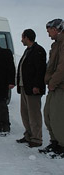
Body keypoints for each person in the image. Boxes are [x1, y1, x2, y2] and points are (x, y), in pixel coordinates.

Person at [16, 29, 46, 148]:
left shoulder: (38, 51)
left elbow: (40, 70)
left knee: (34, 114)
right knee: (25, 113)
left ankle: (37, 138)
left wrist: (37, 86)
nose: (21, 40)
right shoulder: (28, 50)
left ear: (27, 38)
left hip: (33, 89)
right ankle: (28, 135)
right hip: (25, 87)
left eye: (22, 37)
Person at [39, 19, 64, 158]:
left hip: (60, 87)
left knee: (58, 117)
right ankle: (55, 142)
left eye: (49, 31)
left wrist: (53, 82)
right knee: (48, 115)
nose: (48, 34)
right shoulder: (56, 44)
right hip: (54, 87)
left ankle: (62, 145)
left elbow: (62, 68)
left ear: (56, 29)